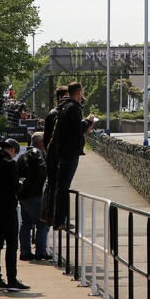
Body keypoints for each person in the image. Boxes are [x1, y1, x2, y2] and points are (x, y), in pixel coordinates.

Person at [0, 138, 31, 292]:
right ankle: (12, 280)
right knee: (11, 244)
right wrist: (20, 185)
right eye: (15, 153)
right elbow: (14, 187)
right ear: (11, 150)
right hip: (7, 206)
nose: (14, 156)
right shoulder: (9, 163)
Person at [53, 82, 95, 230]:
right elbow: (77, 129)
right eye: (81, 93)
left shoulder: (65, 106)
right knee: (63, 187)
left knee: (62, 186)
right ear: (79, 92)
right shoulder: (73, 107)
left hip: (64, 151)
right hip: (70, 152)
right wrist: (88, 121)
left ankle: (60, 218)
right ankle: (59, 220)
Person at [17, 132, 50, 260]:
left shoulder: (22, 156)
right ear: (41, 142)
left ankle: (25, 251)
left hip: (23, 195)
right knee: (43, 223)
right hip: (34, 195)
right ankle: (41, 251)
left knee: (26, 223)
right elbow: (43, 172)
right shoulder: (36, 154)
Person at [41, 85, 69, 225]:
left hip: (53, 154)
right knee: (58, 186)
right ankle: (56, 217)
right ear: (60, 97)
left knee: (55, 185)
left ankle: (52, 215)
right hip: (58, 154)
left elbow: (46, 139)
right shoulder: (57, 114)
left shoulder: (52, 114)